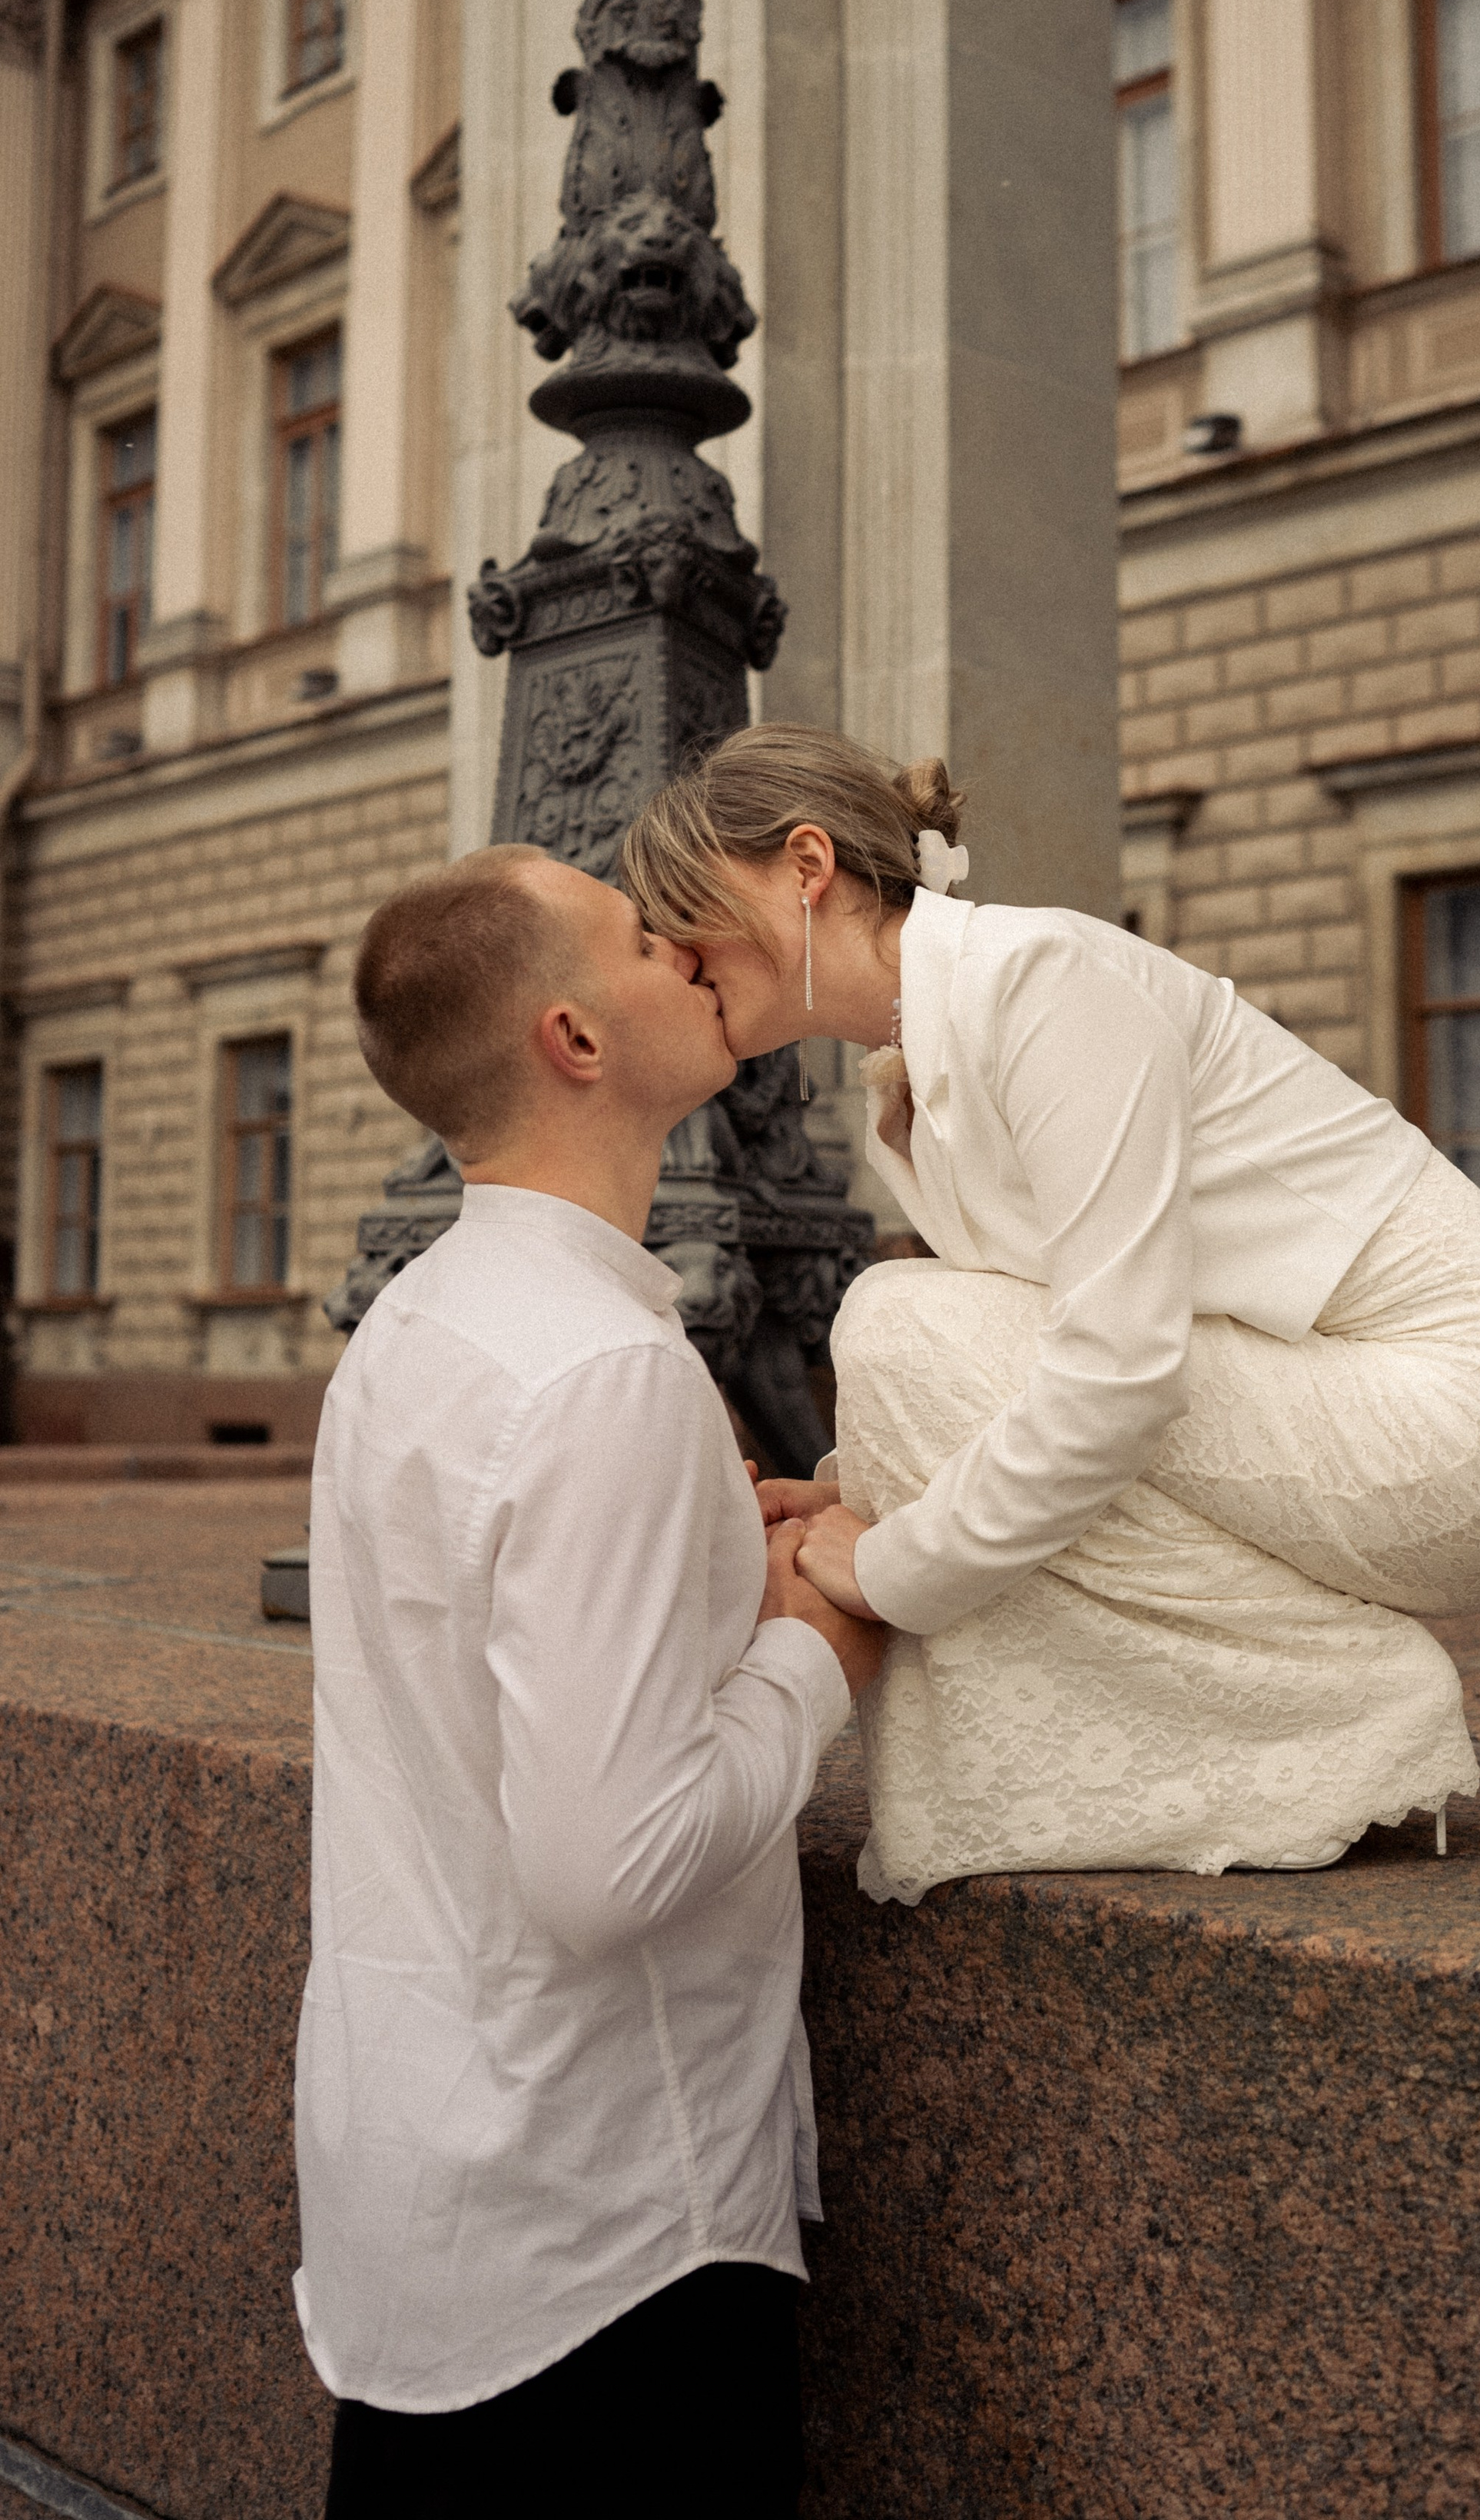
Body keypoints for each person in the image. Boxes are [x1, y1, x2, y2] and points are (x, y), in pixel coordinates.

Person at [619, 725, 1480, 1907]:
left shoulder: (1040, 980)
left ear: (806, 866)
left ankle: (1345, 1705)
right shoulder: (920, 1065)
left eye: (683, 908)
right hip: (1339, 1393)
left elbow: (1120, 1369)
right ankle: (1267, 1726)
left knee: (894, 1316)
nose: (672, 949)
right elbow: (1062, 1346)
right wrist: (862, 1480)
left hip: (1464, 1414)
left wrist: (895, 1563)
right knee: (908, 1321)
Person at [296, 842, 886, 2515]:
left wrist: (722, 1589)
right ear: (573, 1037)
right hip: (607, 2248)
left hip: (428, 2198)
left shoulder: (418, 1326)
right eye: (642, 938)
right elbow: (602, 1865)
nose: (691, 950)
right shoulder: (604, 1376)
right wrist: (814, 1648)